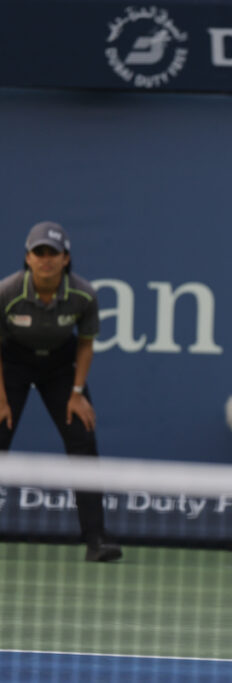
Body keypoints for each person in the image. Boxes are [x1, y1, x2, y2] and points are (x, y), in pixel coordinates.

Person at [0, 221, 122, 562]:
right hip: (12, 364)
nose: (46, 260)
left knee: (83, 439)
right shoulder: (6, 293)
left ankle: (96, 539)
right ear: (27, 258)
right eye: (39, 253)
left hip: (61, 367)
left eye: (53, 253)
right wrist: (1, 398)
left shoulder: (83, 295)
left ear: (66, 259)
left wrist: (77, 392)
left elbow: (85, 344)